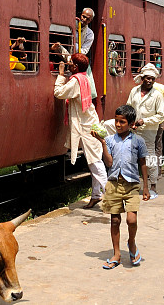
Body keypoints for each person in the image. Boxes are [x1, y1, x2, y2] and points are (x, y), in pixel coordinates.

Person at [94, 104, 150, 270]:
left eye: (122, 122)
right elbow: (109, 163)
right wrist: (103, 143)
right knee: (115, 220)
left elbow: (143, 164)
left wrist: (146, 187)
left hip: (132, 184)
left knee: (131, 219)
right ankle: (117, 253)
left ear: (132, 124)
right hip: (113, 184)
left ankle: (131, 242)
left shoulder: (138, 141)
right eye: (116, 121)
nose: (118, 125)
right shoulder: (110, 140)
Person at [54, 54, 109, 210]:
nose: (69, 65)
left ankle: (111, 199)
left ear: (76, 67)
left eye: (71, 63)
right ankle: (96, 196)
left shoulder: (75, 81)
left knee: (95, 164)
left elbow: (59, 93)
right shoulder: (84, 77)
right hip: (91, 123)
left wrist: (60, 75)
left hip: (86, 128)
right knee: (95, 162)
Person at [126, 63, 164, 199]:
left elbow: (160, 116)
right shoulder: (134, 91)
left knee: (150, 158)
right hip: (134, 130)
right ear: (142, 78)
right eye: (147, 78)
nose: (150, 81)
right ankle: (133, 185)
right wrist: (130, 122)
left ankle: (153, 185)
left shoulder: (157, 95)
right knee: (133, 157)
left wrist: (145, 121)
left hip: (149, 131)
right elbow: (129, 107)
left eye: (152, 79)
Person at [50, 8, 98, 99]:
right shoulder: (70, 25)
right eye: (83, 17)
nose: (84, 20)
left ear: (90, 21)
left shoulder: (90, 34)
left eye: (87, 19)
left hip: (76, 58)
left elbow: (83, 51)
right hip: (65, 58)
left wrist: (71, 46)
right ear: (80, 15)